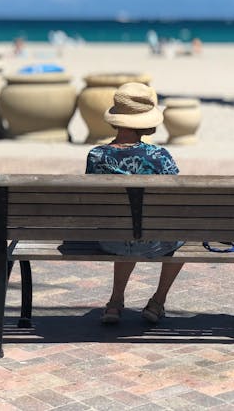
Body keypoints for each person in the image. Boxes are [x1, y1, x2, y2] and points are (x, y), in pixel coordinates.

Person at [86, 82, 184, 325]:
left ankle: (115, 302)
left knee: (126, 225)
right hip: (154, 242)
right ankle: (158, 301)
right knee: (184, 232)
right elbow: (176, 198)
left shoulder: (96, 156)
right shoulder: (160, 157)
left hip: (110, 240)